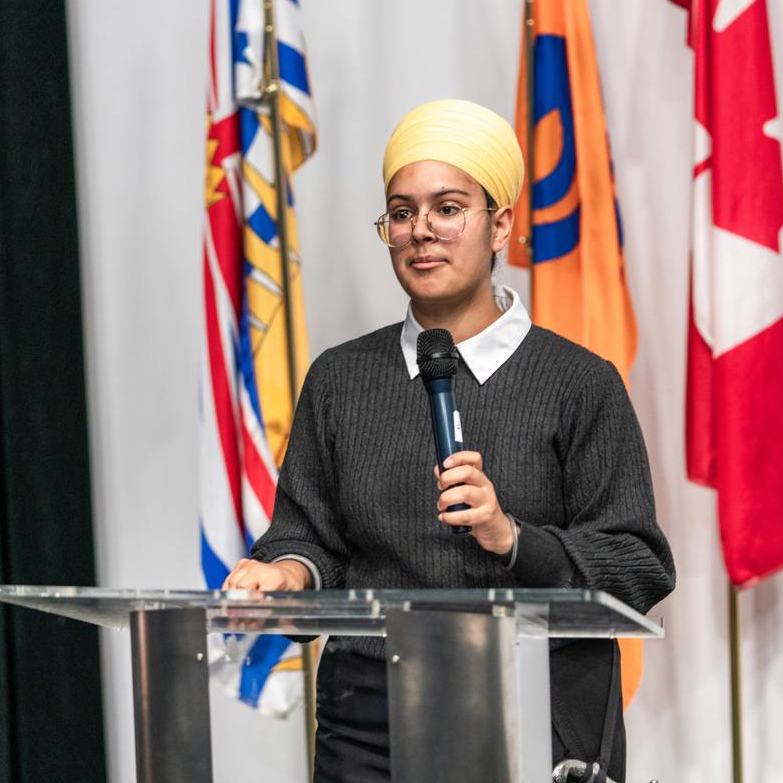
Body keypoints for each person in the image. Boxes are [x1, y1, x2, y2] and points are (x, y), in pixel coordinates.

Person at [223, 99, 674, 783]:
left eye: (448, 208)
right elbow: (310, 538)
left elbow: (638, 564)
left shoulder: (579, 381)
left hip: (537, 712)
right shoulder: (341, 379)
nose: (421, 232)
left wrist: (511, 536)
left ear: (501, 225)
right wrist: (285, 574)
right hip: (369, 724)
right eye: (402, 213)